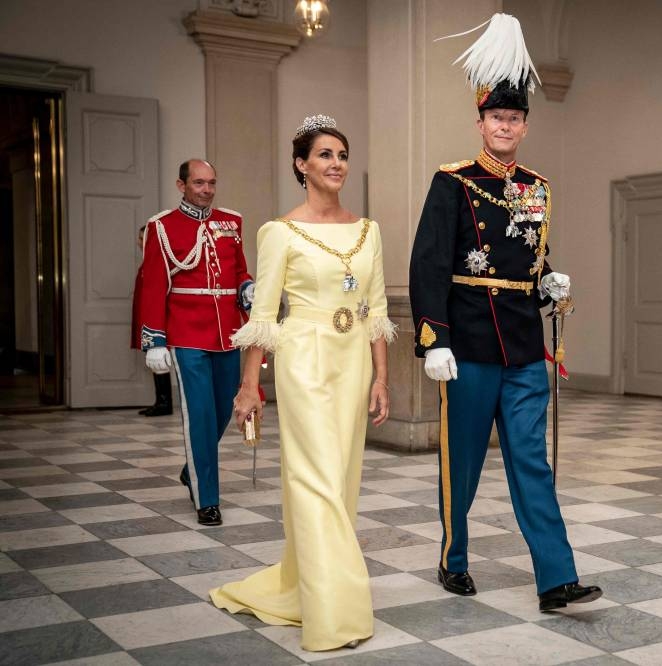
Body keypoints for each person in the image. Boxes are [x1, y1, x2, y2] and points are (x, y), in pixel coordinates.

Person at [409, 14, 602, 613]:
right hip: (466, 347)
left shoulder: (537, 188)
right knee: (461, 464)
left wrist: (549, 283)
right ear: (481, 121)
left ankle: (556, 577)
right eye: (497, 117)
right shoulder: (453, 183)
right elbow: (429, 263)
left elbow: (530, 259)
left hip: (521, 346)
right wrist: (432, 338)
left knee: (530, 463)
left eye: (515, 118)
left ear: (524, 124)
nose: (506, 126)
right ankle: (453, 558)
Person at [210, 115, 395, 652]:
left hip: (353, 362)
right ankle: (333, 611)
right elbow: (263, 316)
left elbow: (376, 309)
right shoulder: (279, 232)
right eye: (324, 155)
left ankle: (302, 585)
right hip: (303, 361)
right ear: (301, 165)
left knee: (340, 483)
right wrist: (250, 387)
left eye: (341, 155)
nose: (336, 164)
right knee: (313, 482)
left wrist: (381, 376)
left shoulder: (369, 231)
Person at [134, 159, 254, 526]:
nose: (207, 190)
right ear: (181, 184)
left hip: (227, 332)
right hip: (186, 333)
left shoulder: (230, 222)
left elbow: (239, 271)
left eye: (212, 183)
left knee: (222, 411)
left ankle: (193, 468)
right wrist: (154, 339)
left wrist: (249, 287)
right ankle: (207, 499)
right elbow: (154, 285)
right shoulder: (162, 227)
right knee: (199, 414)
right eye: (199, 183)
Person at [131, 225, 172, 417]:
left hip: (158, 322)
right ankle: (160, 401)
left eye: (143, 239)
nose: (140, 243)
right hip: (145, 318)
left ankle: (165, 403)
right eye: (140, 239)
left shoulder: (157, 261)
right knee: (153, 359)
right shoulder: (146, 261)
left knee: (160, 360)